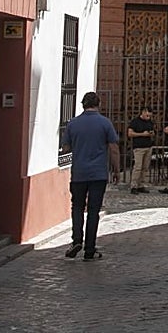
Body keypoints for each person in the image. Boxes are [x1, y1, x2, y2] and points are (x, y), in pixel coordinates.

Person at [59, 91, 120, 261]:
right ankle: (90, 248)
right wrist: (116, 170)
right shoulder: (105, 123)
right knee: (93, 210)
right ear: (98, 104)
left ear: (82, 104)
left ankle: (76, 240)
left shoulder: (73, 124)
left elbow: (65, 148)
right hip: (98, 174)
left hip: (79, 173)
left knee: (77, 207)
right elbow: (114, 148)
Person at [126, 106, 154, 193]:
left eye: (149, 116)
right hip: (138, 147)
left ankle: (141, 185)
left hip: (148, 147)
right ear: (143, 112)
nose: (148, 117)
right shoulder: (135, 122)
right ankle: (134, 186)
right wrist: (142, 134)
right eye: (147, 115)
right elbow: (130, 133)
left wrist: (151, 134)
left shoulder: (150, 122)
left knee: (145, 167)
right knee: (138, 167)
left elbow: (152, 131)